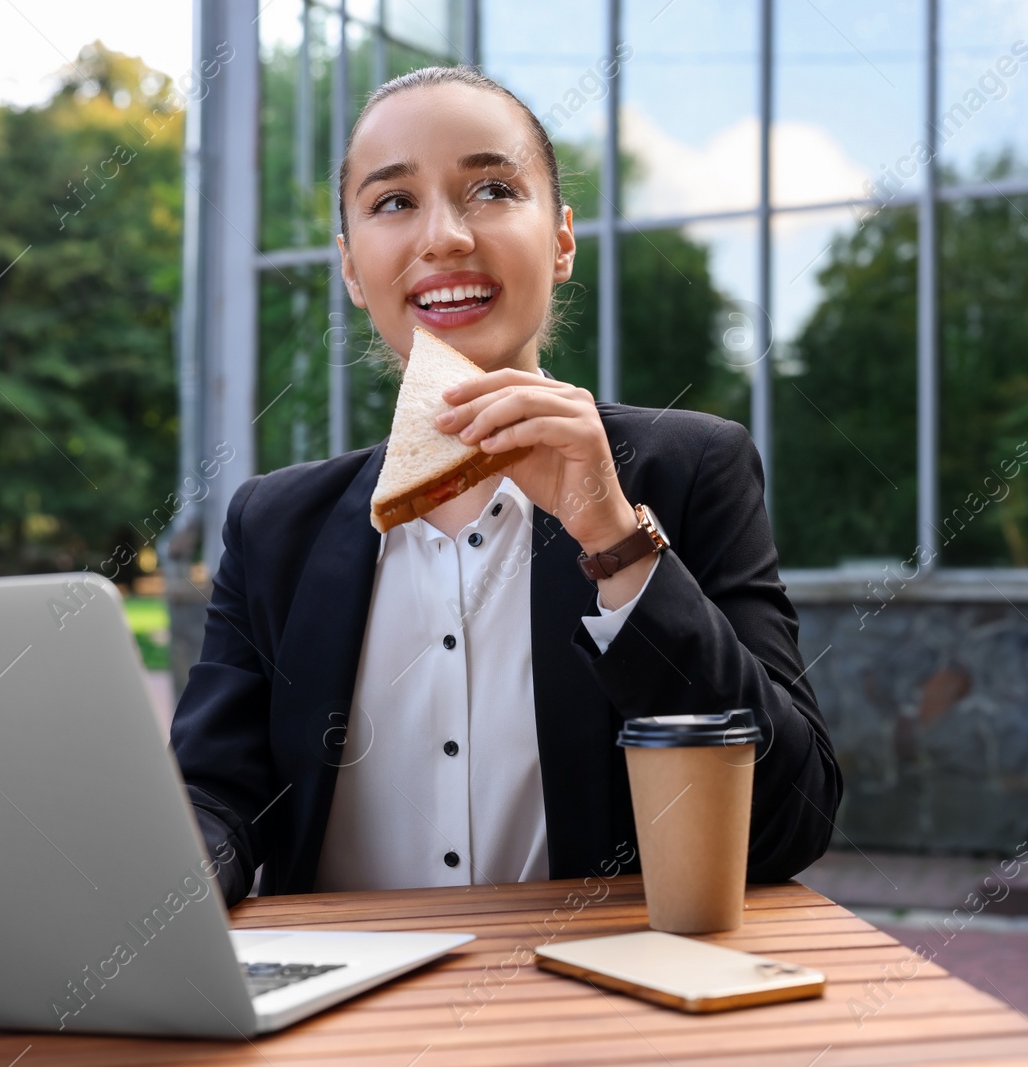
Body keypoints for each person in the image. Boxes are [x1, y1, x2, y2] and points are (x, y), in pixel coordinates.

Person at [169, 65, 841, 905]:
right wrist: (174, 875)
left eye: (490, 188)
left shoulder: (689, 471)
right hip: (335, 1018)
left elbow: (790, 821)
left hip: (586, 1012)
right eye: (392, 202)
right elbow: (215, 796)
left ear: (561, 241)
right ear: (350, 268)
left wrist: (616, 539)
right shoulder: (272, 524)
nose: (444, 236)